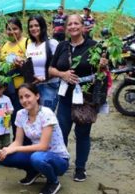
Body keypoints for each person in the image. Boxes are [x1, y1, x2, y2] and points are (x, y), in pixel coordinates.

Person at [49, 14, 108, 182]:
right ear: (66, 28)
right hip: (66, 97)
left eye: (76, 23)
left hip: (85, 98)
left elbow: (104, 69)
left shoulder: (94, 46)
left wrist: (103, 64)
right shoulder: (62, 46)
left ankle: (80, 168)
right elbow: (51, 69)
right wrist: (63, 74)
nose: (73, 26)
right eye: (70, 24)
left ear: (83, 27)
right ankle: (61, 163)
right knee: (61, 132)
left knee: (82, 133)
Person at [0, 83, 70, 194]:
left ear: (37, 96)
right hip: (37, 155)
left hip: (58, 159)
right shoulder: (21, 114)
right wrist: (5, 150)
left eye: (27, 96)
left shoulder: (46, 113)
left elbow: (43, 146)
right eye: (21, 97)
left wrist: (14, 149)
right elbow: (18, 141)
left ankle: (53, 182)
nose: (24, 100)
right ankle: (33, 172)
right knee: (0, 157)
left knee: (37, 157)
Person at [0, 17, 30, 138]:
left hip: (22, 86)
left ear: (21, 30)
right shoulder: (5, 46)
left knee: (21, 113)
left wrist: (23, 62)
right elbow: (2, 66)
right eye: (9, 29)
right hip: (8, 86)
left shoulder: (26, 43)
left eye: (15, 29)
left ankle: (22, 139)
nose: (12, 32)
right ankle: (7, 138)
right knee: (7, 113)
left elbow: (32, 62)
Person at [26, 15, 59, 111]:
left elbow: (58, 66)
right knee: (34, 118)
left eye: (36, 25)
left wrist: (44, 79)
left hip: (49, 86)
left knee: (46, 118)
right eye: (31, 26)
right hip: (33, 87)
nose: (33, 28)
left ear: (42, 26)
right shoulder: (29, 45)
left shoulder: (52, 43)